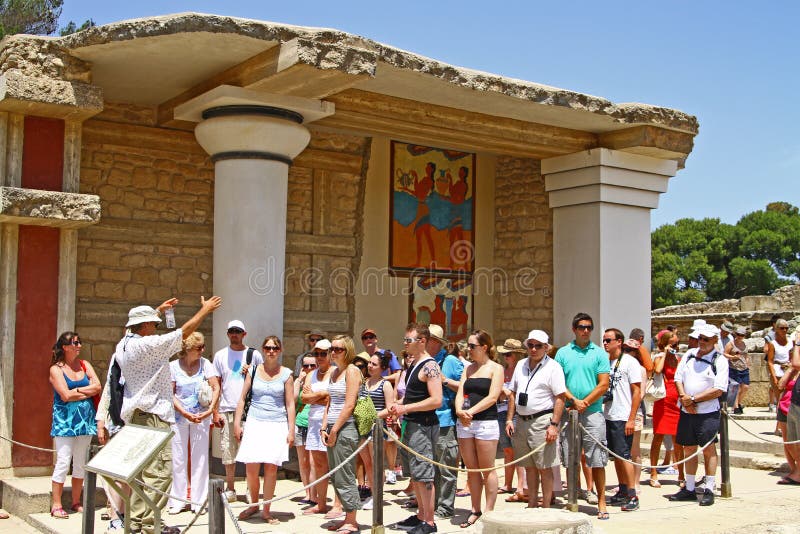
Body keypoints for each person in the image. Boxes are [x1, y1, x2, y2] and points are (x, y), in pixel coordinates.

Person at [115, 295, 221, 534]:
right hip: (153, 415)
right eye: (153, 323)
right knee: (160, 473)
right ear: (144, 327)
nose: (156, 327)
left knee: (141, 474)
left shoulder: (123, 344)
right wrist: (204, 310)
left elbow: (134, 328)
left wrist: (157, 311)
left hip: (137, 415)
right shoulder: (146, 345)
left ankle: (137, 523)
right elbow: (183, 333)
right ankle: (152, 525)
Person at [234, 336, 295, 523]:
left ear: (280, 350)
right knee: (251, 469)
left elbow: (290, 403)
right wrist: (237, 423)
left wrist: (291, 430)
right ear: (262, 349)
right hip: (254, 422)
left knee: (271, 469)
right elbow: (243, 397)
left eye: (275, 348)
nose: (271, 351)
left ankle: (267, 510)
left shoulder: (286, 374)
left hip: (276, 424)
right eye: (268, 347)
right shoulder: (253, 370)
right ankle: (254, 505)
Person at [555, 312, 610, 520]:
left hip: (592, 412)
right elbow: (558, 382)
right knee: (571, 457)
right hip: (569, 412)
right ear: (574, 329)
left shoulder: (599, 353)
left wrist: (584, 402)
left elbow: (603, 383)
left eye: (589, 327)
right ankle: (572, 498)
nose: (585, 330)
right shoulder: (563, 353)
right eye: (581, 327)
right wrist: (573, 401)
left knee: (597, 458)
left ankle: (602, 500)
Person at [390, 323, 443, 534]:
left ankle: (429, 522)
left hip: (423, 425)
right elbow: (411, 396)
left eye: (408, 340)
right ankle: (421, 515)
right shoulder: (414, 365)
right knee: (416, 475)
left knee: (424, 474)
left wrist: (405, 407)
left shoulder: (430, 366)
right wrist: (393, 410)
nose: (405, 344)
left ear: (422, 341)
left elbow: (436, 399)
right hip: (411, 424)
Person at [505, 329, 565, 509]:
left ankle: (546, 505)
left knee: (544, 466)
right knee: (529, 466)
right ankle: (532, 503)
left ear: (546, 347)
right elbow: (513, 393)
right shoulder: (521, 364)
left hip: (542, 419)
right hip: (522, 420)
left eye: (538, 346)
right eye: (530, 345)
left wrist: (554, 425)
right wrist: (510, 419)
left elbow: (560, 397)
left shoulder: (553, 367)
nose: (533, 349)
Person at [670, 323, 728, 506]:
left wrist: (693, 399)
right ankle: (689, 487)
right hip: (687, 409)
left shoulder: (720, 360)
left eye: (706, 339)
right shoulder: (689, 355)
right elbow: (678, 378)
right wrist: (685, 399)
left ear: (714, 340)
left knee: (709, 449)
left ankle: (710, 487)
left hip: (707, 412)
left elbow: (719, 389)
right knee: (688, 448)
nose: (701, 342)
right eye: (699, 338)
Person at [454, 330, 504, 528]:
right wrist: (459, 410)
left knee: (487, 469)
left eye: (472, 346)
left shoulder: (495, 368)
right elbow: (460, 391)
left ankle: (489, 511)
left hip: (485, 422)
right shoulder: (468, 369)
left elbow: (493, 397)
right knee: (472, 470)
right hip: (466, 424)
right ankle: (475, 509)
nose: (469, 349)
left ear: (484, 347)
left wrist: (471, 411)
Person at [49, 331, 100, 519]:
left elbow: (98, 387)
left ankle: (76, 501)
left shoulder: (85, 365)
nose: (79, 345)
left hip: (85, 422)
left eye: (80, 342)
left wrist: (76, 391)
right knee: (63, 461)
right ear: (65, 346)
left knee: (80, 463)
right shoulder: (56, 369)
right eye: (75, 343)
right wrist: (84, 391)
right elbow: (65, 396)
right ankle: (56, 504)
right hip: (64, 423)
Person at [168, 332, 220, 514]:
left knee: (200, 458)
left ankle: (199, 500)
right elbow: (170, 393)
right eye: (199, 348)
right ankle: (177, 500)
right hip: (179, 417)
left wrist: (211, 409)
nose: (202, 350)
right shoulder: (173, 367)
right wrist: (183, 412)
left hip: (201, 417)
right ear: (188, 349)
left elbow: (216, 387)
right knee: (178, 458)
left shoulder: (206, 364)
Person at [212, 319, 263, 502]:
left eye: (238, 331)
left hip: (249, 410)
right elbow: (216, 384)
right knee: (228, 452)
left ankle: (251, 489)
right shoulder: (220, 356)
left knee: (250, 452)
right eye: (231, 331)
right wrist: (215, 411)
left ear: (244, 334)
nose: (234, 334)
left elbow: (263, 379)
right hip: (227, 408)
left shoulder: (254, 355)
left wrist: (252, 372)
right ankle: (231, 488)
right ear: (227, 334)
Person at [322, 335, 363, 534]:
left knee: (345, 474)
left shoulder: (352, 371)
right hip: (331, 427)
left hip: (345, 428)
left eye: (338, 349)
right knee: (336, 475)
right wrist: (324, 428)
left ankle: (352, 519)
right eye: (332, 348)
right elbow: (329, 403)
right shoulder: (333, 372)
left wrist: (335, 429)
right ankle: (346, 515)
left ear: (347, 351)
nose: (333, 352)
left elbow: (349, 404)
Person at [601, 331, 642, 512]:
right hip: (609, 414)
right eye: (604, 340)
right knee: (616, 455)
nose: (605, 343)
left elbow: (637, 392)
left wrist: (631, 418)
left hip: (623, 415)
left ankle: (633, 493)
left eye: (608, 340)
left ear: (619, 342)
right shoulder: (606, 362)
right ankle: (623, 489)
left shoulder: (630, 362)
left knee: (624, 455)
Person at [426, 324, 464, 519]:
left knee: (446, 466)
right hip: (427, 421)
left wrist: (444, 380)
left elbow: (465, 387)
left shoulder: (450, 361)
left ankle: (446, 506)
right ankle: (433, 504)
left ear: (436, 342)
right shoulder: (424, 361)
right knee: (431, 466)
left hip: (445, 420)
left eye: (427, 338)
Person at [301, 339, 338, 518]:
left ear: (331, 354)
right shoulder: (311, 374)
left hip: (331, 422)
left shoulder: (336, 373)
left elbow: (335, 398)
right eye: (317, 353)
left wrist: (316, 396)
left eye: (323, 353)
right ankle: (321, 503)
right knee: (319, 464)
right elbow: (304, 398)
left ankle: (338, 504)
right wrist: (323, 394)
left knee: (336, 464)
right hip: (314, 422)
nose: (320, 357)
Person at [649, 331, 684, 488]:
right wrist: (664, 353)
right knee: (658, 437)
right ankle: (654, 472)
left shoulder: (679, 359)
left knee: (679, 439)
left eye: (677, 344)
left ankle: (682, 474)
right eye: (672, 344)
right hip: (663, 400)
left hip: (676, 400)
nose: (675, 347)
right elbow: (657, 371)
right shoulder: (658, 357)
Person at [495, 339, 528, 502]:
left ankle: (521, 486)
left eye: (508, 354)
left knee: (519, 450)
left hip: (516, 414)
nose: (505, 357)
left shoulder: (522, 372)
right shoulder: (502, 371)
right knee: (507, 449)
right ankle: (508, 484)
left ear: (515, 355)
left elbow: (516, 394)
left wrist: (507, 393)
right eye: (504, 355)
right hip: (501, 411)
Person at [364, 352, 397, 500]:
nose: (370, 366)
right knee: (368, 464)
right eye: (369, 363)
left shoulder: (386, 384)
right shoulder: (365, 382)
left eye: (374, 364)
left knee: (376, 464)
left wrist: (373, 415)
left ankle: (377, 497)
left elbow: (390, 408)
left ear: (382, 368)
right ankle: (372, 492)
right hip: (363, 428)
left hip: (377, 429)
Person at [293, 354, 318, 505]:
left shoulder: (319, 380)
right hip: (300, 423)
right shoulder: (299, 381)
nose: (308, 369)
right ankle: (307, 493)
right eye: (306, 366)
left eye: (312, 365)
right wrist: (299, 382)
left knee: (314, 461)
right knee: (303, 462)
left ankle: (315, 494)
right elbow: (293, 400)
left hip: (314, 425)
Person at [777, 366, 799, 482]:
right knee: (788, 443)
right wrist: (790, 370)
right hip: (784, 408)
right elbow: (780, 386)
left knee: (796, 443)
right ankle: (794, 469)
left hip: (796, 410)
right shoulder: (791, 372)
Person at [766, 319, 792, 415]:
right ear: (776, 329)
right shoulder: (773, 344)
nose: (784, 330)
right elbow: (770, 361)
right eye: (782, 328)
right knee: (780, 400)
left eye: (786, 328)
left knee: (789, 399)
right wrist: (773, 376)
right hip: (778, 372)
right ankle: (779, 426)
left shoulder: (791, 342)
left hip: (789, 371)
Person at [724, 326, 750, 414]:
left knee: (745, 387)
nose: (740, 336)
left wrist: (747, 363)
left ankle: (738, 403)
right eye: (738, 334)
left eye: (742, 335)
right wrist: (733, 357)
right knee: (737, 387)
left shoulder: (744, 344)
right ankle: (735, 407)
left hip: (744, 368)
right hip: (734, 368)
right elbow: (725, 354)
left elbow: (746, 355)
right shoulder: (731, 344)